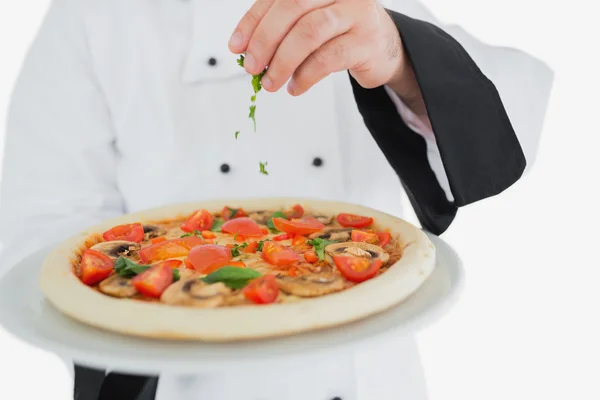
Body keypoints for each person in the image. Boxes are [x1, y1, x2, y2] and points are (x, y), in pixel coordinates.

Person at [0, 0, 553, 399]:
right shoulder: (89, 16)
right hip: (173, 379)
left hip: (368, 378)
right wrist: (151, 288)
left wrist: (400, 56)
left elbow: (506, 123)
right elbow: (40, 225)